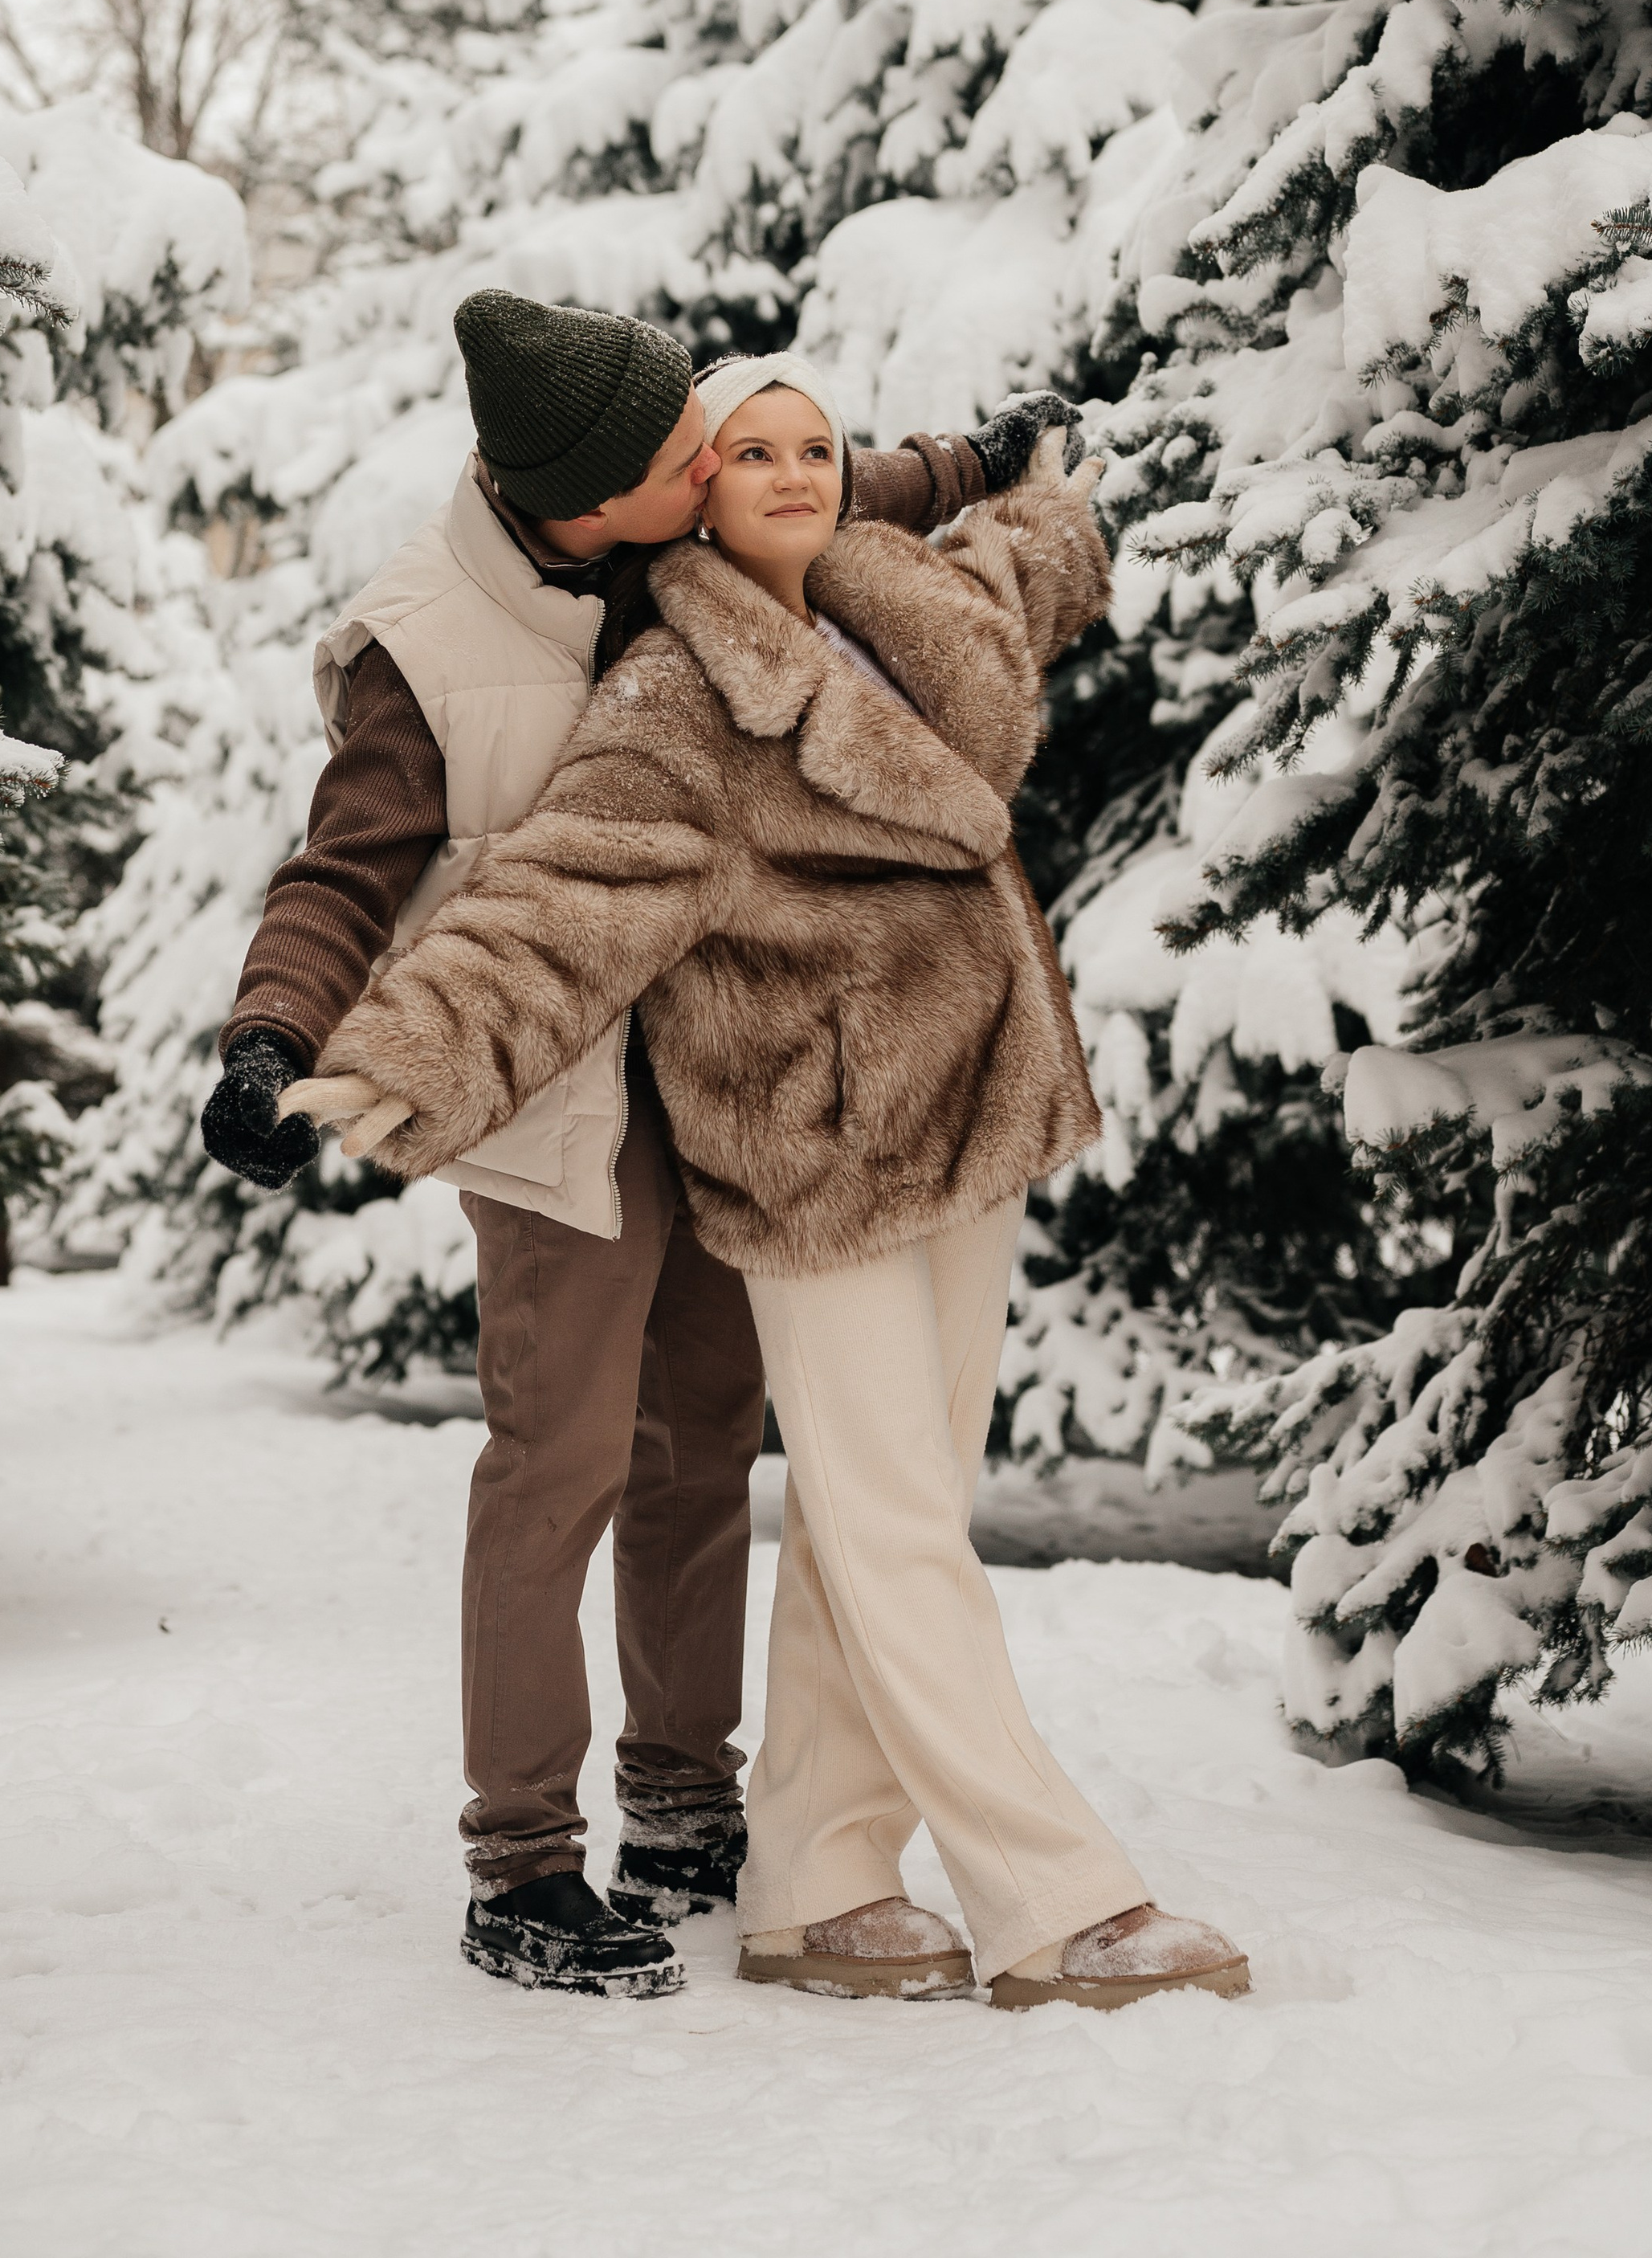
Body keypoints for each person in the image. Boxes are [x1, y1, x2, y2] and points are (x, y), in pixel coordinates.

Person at [291, 353, 1250, 2011]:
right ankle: (1056, 1902)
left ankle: (816, 1876)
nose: (796, 473)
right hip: (809, 1159)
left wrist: (1045, 493)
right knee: (889, 1525)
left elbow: (1012, 572)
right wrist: (397, 1062)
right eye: (752, 453)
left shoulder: (896, 602)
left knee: (888, 1517)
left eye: (818, 446)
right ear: (697, 500)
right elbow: (558, 901)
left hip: (977, 1128)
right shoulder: (678, 692)